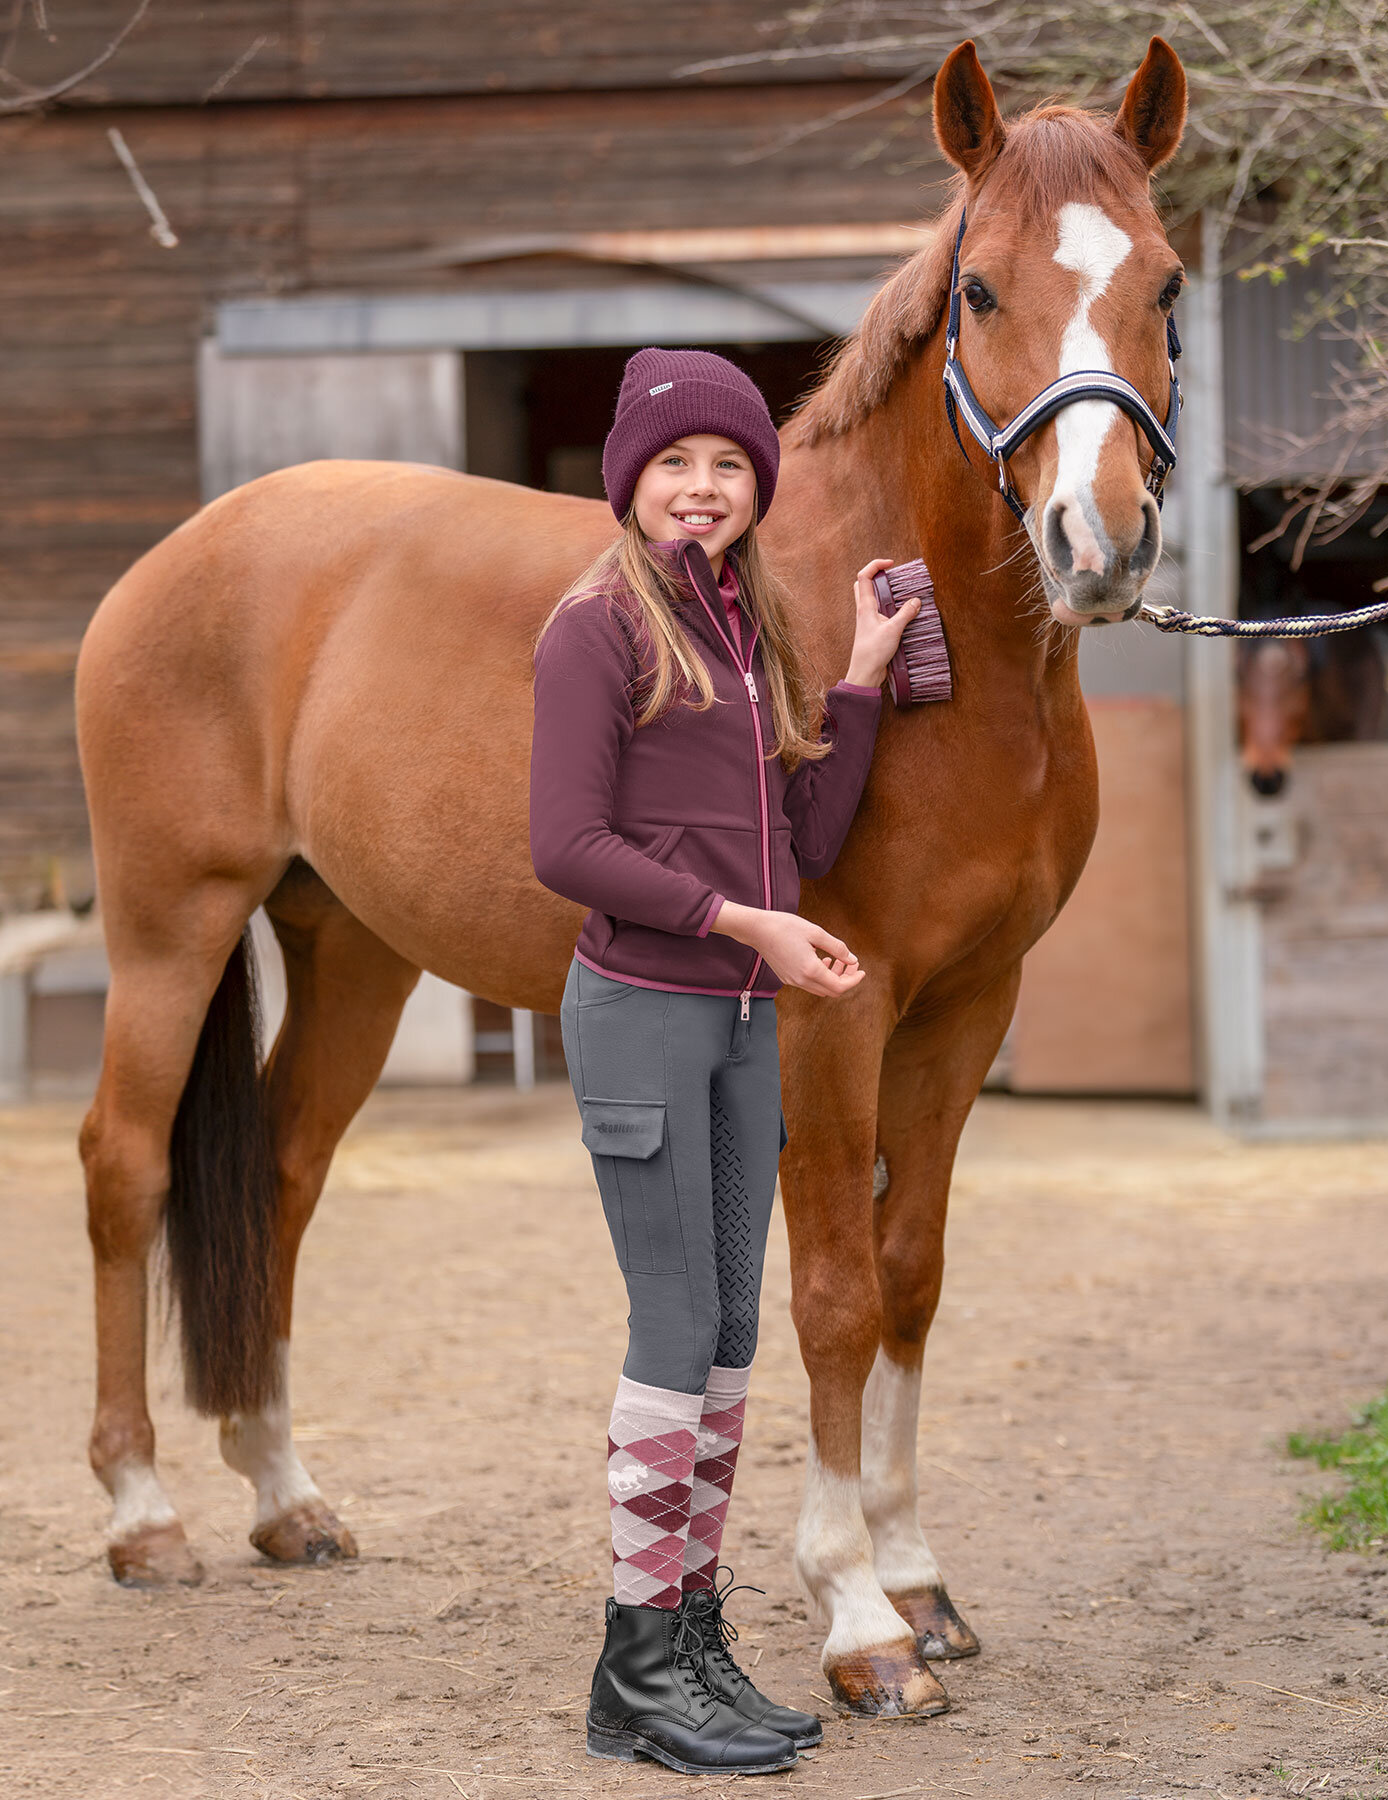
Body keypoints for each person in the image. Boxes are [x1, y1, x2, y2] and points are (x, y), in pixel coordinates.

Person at [528, 346, 919, 1775]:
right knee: (668, 1326)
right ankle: (632, 1669)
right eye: (676, 466)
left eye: (729, 468)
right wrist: (739, 921)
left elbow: (802, 843)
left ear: (756, 491)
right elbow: (563, 847)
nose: (702, 489)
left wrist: (863, 681)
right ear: (631, 483)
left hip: (743, 1022)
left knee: (729, 1337)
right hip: (642, 1010)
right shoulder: (595, 628)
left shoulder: (749, 633)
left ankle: (691, 1639)